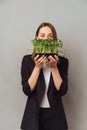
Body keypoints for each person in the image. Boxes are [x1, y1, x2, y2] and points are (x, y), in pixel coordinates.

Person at [20, 22, 69, 130]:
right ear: (37, 39)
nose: (46, 39)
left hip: (55, 117)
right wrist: (37, 68)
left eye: (50, 36)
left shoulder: (63, 62)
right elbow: (27, 90)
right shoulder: (27, 61)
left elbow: (62, 91)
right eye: (42, 36)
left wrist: (54, 68)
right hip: (33, 116)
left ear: (54, 41)